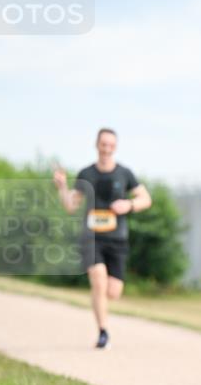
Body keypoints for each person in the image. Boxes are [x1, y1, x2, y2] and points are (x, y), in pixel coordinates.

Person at [53, 128, 152, 348]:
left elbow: (146, 198)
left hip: (117, 239)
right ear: (96, 145)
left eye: (110, 145)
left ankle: (102, 308)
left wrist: (129, 204)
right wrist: (62, 188)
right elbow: (71, 206)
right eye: (103, 144)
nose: (106, 149)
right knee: (98, 280)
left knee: (113, 292)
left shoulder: (124, 173)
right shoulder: (86, 174)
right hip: (92, 238)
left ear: (115, 147)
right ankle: (103, 331)